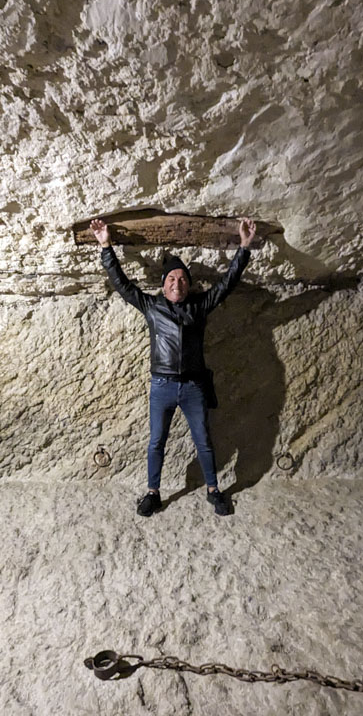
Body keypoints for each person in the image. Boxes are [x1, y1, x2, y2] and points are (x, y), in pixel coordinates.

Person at [90, 216, 256, 516]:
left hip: (193, 386)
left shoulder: (200, 306)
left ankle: (213, 490)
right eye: (171, 279)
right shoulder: (152, 307)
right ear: (163, 285)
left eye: (181, 278)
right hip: (162, 386)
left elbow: (227, 283)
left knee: (204, 440)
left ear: (188, 284)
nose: (176, 283)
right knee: (156, 442)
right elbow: (122, 284)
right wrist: (106, 246)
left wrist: (244, 246)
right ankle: (153, 493)